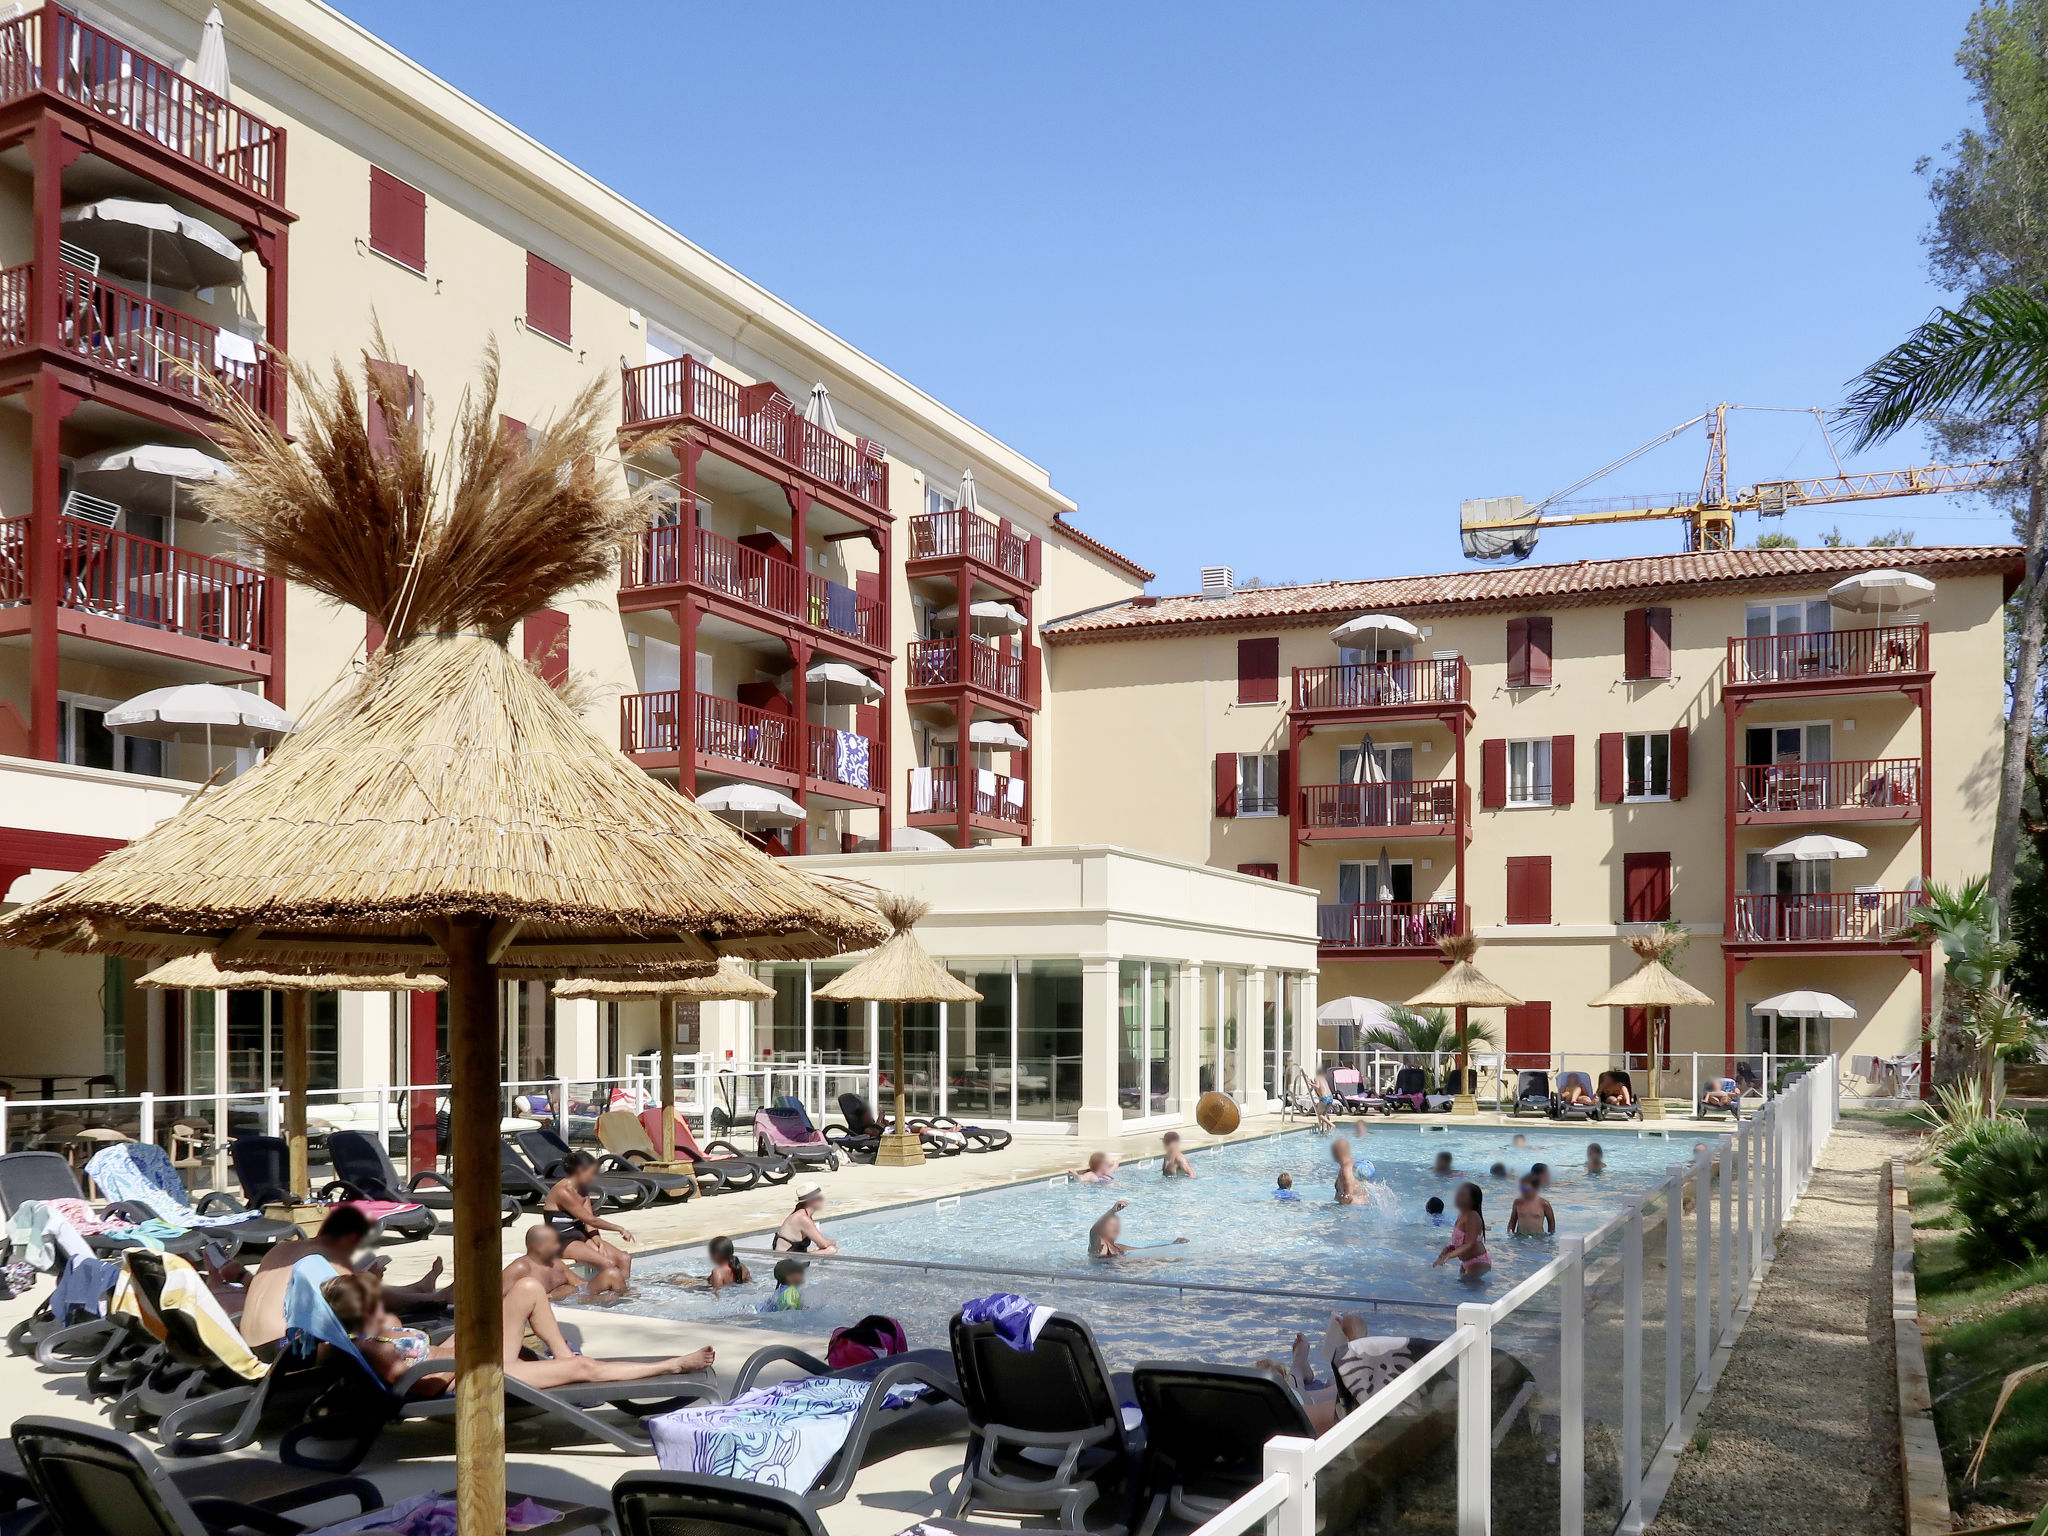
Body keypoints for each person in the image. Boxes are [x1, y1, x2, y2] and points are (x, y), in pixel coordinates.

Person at [320, 1270, 710, 1397]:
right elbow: (421, 1383)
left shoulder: (384, 1328)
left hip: (465, 1359)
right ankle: (673, 1366)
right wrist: (462, 1353)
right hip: (468, 1376)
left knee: (527, 1287)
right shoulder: (372, 1347)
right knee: (585, 1368)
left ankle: (562, 1356)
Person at [243, 1205, 449, 1348]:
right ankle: (430, 1297)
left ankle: (419, 1290)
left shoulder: (282, 1249)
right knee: (385, 1321)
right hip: (285, 1347)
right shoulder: (324, 1256)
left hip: (253, 1342)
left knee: (356, 1283)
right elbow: (356, 1306)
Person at [545, 1152, 636, 1290]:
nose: (593, 1178)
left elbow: (589, 1222)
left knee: (624, 1259)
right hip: (562, 1241)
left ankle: (622, 1293)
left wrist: (598, 1240)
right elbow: (590, 1219)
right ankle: (595, 1295)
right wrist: (619, 1229)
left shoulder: (582, 1189)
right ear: (580, 1170)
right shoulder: (562, 1191)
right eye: (592, 1173)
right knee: (608, 1264)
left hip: (580, 1235)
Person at [502, 1225, 591, 1303]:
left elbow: (581, 1285)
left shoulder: (556, 1263)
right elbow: (499, 1300)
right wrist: (549, 1296)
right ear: (539, 1246)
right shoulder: (520, 1268)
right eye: (554, 1243)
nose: (558, 1246)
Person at [1088, 1199, 1189, 1258]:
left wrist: (1172, 1243)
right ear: (1102, 1229)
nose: (1116, 1228)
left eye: (1117, 1225)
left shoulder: (1118, 1247)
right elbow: (1093, 1231)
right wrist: (1112, 1211)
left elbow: (1142, 1249)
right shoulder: (1098, 1245)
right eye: (1111, 1225)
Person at [1431, 1181, 1491, 1277]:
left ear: (1472, 1201)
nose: (1457, 1197)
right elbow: (1463, 1241)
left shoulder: (1472, 1216)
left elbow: (1470, 1244)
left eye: (1462, 1195)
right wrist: (1450, 1249)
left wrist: (1449, 1255)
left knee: (1467, 1285)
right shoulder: (1462, 1215)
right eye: (1458, 1194)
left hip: (1477, 1261)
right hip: (1466, 1262)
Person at [773, 1186, 839, 1253]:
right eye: (820, 1198)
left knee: (816, 1248)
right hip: (786, 1257)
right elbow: (823, 1244)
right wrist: (834, 1242)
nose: (823, 1200)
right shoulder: (803, 1218)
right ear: (811, 1201)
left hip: (792, 1252)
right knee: (831, 1250)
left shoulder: (802, 1213)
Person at [1331, 1139, 1366, 1205]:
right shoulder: (1354, 1166)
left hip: (1354, 1209)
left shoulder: (1346, 1170)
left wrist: (1334, 1208)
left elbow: (1349, 1197)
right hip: (1360, 1206)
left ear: (1337, 1152)